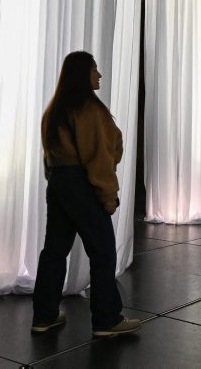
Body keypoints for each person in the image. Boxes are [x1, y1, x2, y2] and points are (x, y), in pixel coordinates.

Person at [31, 51, 141, 338]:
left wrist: (60, 184)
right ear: (82, 74)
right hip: (81, 183)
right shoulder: (88, 111)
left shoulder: (54, 110)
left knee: (54, 251)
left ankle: (44, 315)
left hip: (59, 183)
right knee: (102, 252)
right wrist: (108, 195)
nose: (99, 75)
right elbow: (99, 158)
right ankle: (106, 319)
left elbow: (50, 157)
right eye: (94, 69)